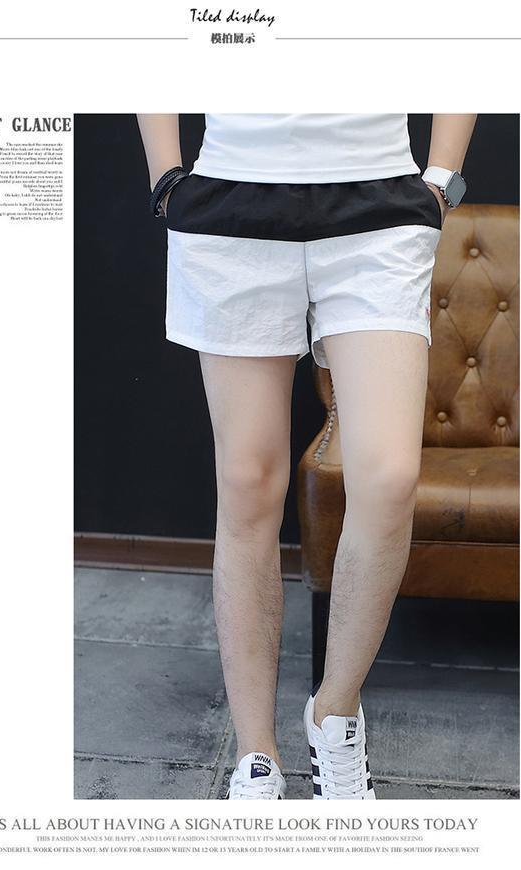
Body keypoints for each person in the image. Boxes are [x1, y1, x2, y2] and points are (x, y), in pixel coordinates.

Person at [137, 113, 477, 800]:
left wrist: (441, 179)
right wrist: (166, 176)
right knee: (247, 483)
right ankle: (255, 756)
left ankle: (335, 715)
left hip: (376, 203)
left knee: (389, 477)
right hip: (233, 199)